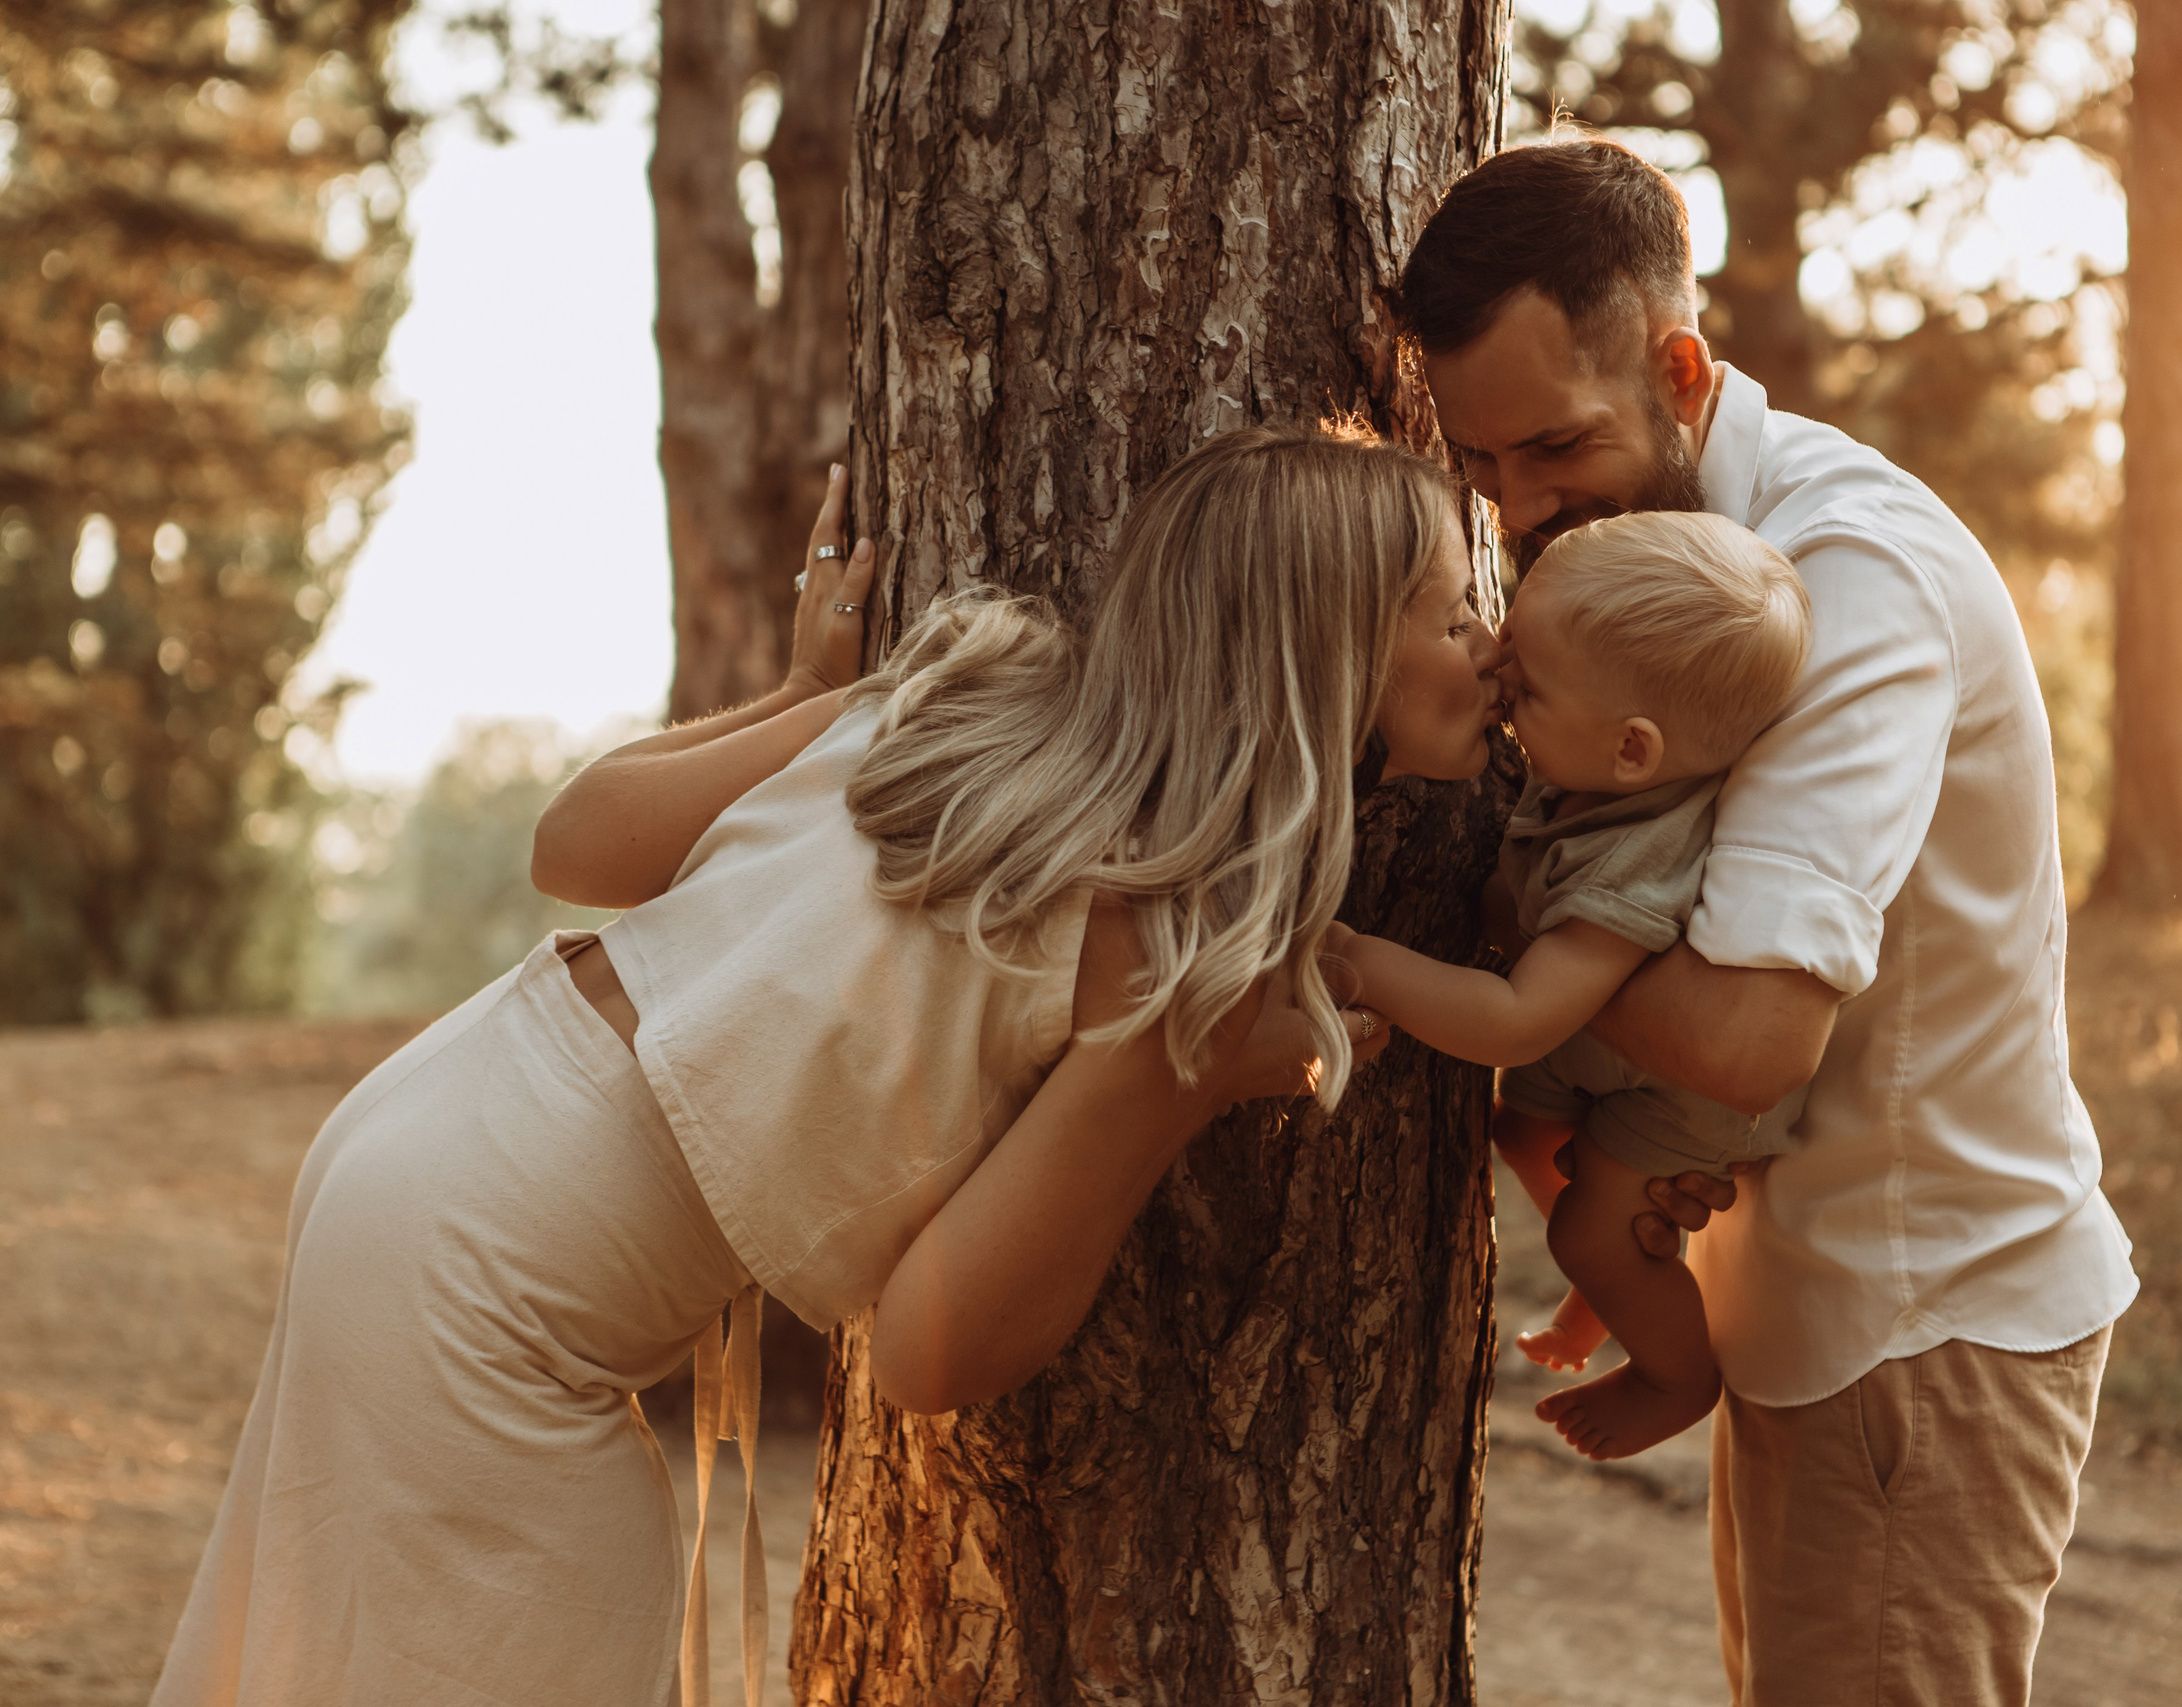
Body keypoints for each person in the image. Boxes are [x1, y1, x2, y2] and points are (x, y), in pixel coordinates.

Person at [149, 425, 1504, 1707]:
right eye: (1452, 613)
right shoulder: (1158, 945)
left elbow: (579, 841)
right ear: (1326, 658)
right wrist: (1182, 1074)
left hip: (429, 1129)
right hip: (486, 1283)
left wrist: (811, 696)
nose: (1491, 643)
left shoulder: (968, 699)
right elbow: (930, 1347)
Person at [1394, 134, 2142, 1705]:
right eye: (1485, 470)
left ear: (1677, 365)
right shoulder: (1654, 574)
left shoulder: (1843, 575)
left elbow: (1746, 1035)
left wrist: (1486, 935)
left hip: (1917, 1318)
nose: (1521, 508)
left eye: (1557, 445)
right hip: (1816, 1308)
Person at [1333, 509, 1810, 1461]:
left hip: (1681, 1091)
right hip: (1605, 1055)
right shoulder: (1596, 767)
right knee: (1520, 1126)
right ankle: (1623, 1268)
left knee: (1587, 1225)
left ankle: (1672, 1369)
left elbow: (1516, 1019)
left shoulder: (1634, 860)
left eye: (1529, 684)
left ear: (1634, 748)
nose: (1498, 678)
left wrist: (1361, 960)